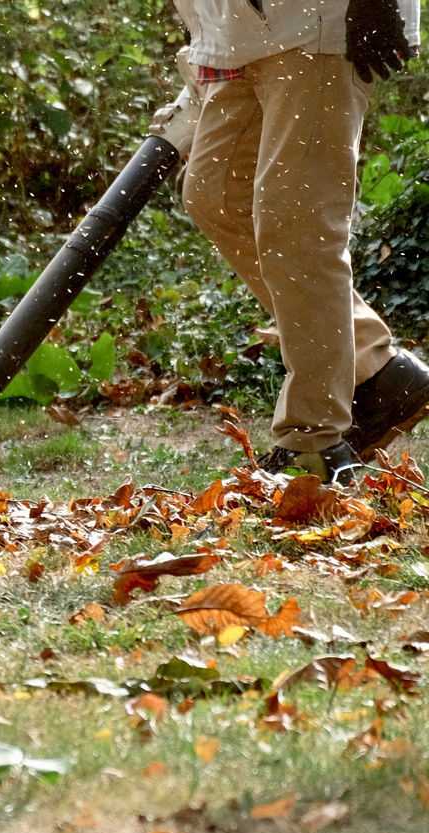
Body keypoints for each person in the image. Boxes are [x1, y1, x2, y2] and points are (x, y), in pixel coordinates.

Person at [170, 0, 426, 484]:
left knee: (300, 228)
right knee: (216, 197)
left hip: (316, 24)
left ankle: (315, 442)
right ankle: (374, 364)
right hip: (237, 37)